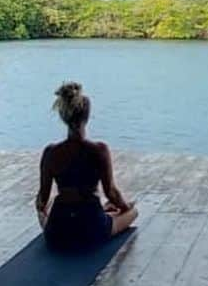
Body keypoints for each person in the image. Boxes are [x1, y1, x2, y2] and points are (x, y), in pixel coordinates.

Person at [37, 81, 138, 251]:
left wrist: (42, 208)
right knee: (133, 212)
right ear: (87, 117)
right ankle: (106, 212)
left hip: (58, 233)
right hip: (92, 230)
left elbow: (42, 199)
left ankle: (103, 212)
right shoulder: (99, 150)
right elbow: (111, 193)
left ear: (63, 117)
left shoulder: (50, 153)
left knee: (43, 211)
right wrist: (126, 207)